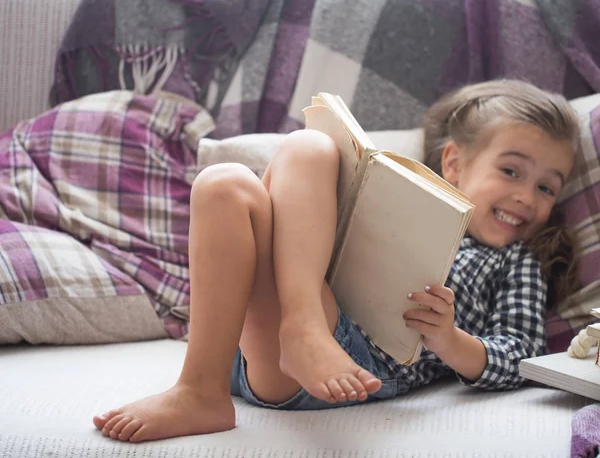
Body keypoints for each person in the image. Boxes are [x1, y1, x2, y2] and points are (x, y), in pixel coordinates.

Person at [92, 79, 581, 443]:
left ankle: (291, 337)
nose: (525, 197)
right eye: (511, 170)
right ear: (453, 162)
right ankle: (206, 383)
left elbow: (521, 357)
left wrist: (451, 341)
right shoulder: (402, 210)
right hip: (253, 346)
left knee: (243, 181)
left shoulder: (515, 261)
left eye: (545, 187)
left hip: (351, 357)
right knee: (236, 177)